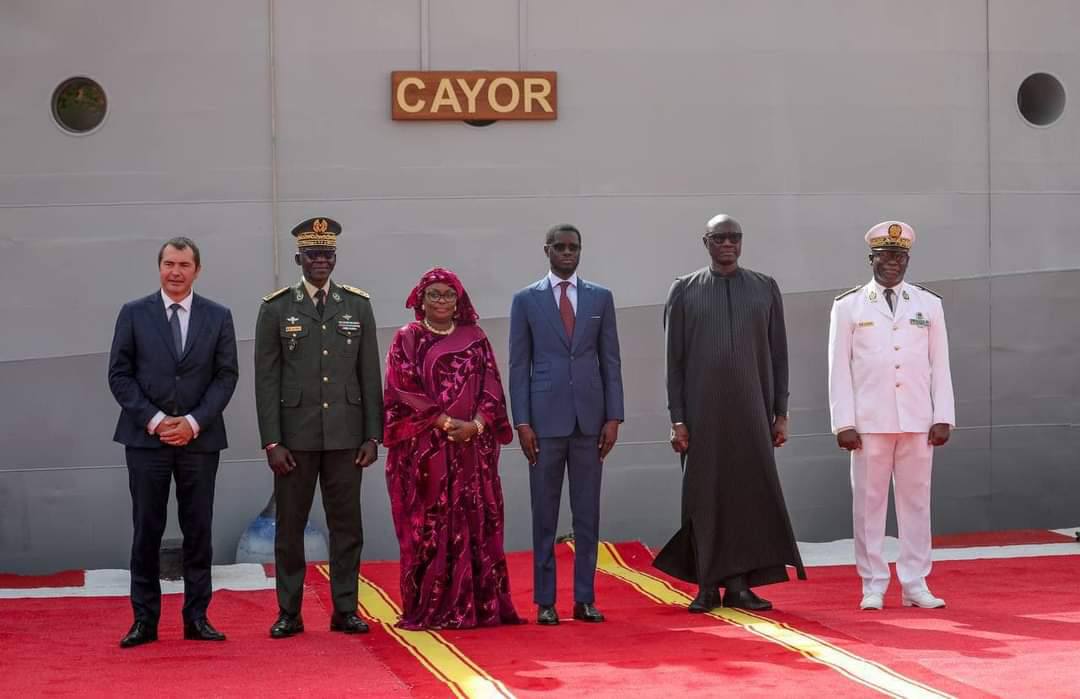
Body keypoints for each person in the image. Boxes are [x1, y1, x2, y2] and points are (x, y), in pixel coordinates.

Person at [654, 214, 806, 613]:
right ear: (705, 241)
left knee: (747, 496)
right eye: (719, 237)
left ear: (741, 242)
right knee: (703, 497)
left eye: (734, 237)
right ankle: (706, 586)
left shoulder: (764, 289)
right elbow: (673, 362)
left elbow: (779, 356)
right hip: (702, 416)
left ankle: (739, 586)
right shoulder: (684, 291)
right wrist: (678, 419)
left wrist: (780, 412)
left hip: (753, 413)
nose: (727, 243)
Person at [254, 217, 383, 638]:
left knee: (347, 527)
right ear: (299, 259)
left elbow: (369, 375)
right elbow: (266, 380)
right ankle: (289, 611)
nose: (321, 262)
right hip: (295, 438)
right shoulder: (275, 308)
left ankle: (345, 609)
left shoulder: (357, 305)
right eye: (313, 255)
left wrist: (372, 435)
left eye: (327, 254)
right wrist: (272, 441)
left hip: (347, 437)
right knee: (289, 527)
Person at [108, 237, 239, 648]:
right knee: (146, 529)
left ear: (197, 269)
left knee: (198, 531)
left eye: (184, 264)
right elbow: (119, 375)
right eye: (169, 263)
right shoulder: (133, 314)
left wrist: (194, 422)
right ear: (159, 267)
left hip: (199, 443)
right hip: (147, 442)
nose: (176, 272)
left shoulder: (218, 316)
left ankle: (196, 617)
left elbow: (226, 376)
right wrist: (159, 420)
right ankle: (144, 620)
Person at [383, 267, 523, 630]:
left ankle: (479, 605)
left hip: (471, 453)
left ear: (459, 300)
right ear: (420, 300)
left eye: (448, 294)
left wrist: (475, 425)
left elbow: (492, 387)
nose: (442, 300)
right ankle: (430, 607)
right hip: (425, 455)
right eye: (434, 295)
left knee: (475, 523)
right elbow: (402, 390)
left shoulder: (476, 338)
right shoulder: (406, 339)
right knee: (428, 528)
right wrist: (446, 424)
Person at [828, 221, 955, 611]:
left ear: (907, 260)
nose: (891, 264)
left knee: (917, 504)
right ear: (872, 258)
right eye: (884, 256)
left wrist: (943, 415)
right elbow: (838, 368)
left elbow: (940, 363)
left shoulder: (928, 304)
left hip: (918, 419)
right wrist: (843, 423)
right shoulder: (848, 305)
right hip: (869, 424)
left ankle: (916, 582)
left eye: (898, 257)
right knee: (868, 505)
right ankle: (873, 583)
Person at [509, 223, 624, 625]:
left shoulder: (600, 298)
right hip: (543, 424)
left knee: (587, 515)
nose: (567, 253)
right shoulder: (525, 300)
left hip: (590, 421)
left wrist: (614, 416)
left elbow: (610, 360)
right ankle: (545, 601)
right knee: (545, 514)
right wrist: (521, 421)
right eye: (559, 247)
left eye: (573, 247)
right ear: (546, 251)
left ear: (581, 250)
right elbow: (518, 365)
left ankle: (584, 598)